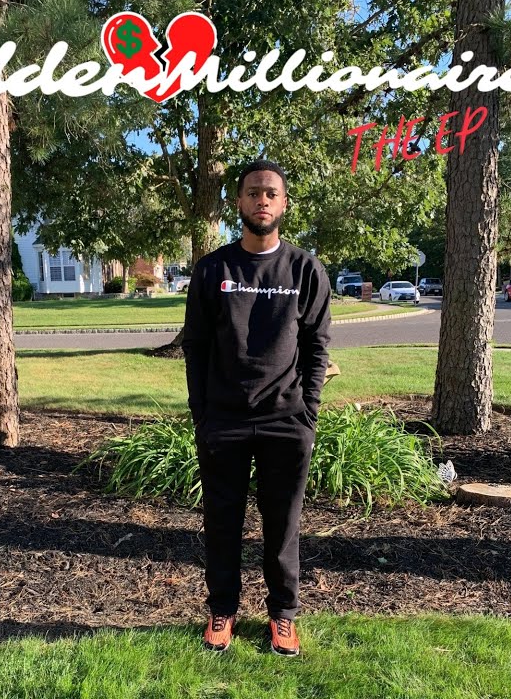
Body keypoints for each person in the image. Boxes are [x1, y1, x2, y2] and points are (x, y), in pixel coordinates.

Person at [181, 159, 331, 656]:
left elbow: (316, 347)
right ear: (239, 203)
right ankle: (222, 609)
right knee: (221, 521)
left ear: (283, 203)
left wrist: (307, 412)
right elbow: (196, 346)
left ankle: (282, 614)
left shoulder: (305, 270)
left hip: (286, 418)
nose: (261, 200)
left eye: (271, 193)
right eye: (252, 192)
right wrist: (202, 413)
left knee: (283, 524)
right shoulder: (213, 270)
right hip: (223, 418)